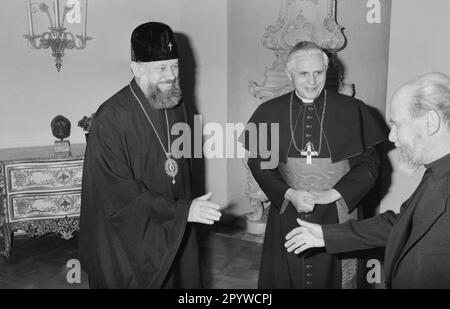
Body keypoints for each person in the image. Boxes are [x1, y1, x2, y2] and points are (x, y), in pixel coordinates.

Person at [78, 22, 223, 289]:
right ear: (136, 68)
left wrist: (182, 213)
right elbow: (118, 195)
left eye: (175, 66)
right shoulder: (111, 118)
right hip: (127, 240)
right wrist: (182, 211)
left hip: (174, 227)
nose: (171, 75)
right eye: (161, 68)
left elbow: (183, 169)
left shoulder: (175, 103)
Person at [285, 72, 450, 289]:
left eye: (397, 125)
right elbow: (402, 225)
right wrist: (327, 235)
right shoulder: (436, 171)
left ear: (430, 122)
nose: (391, 137)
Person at [241, 41, 385, 289]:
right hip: (288, 205)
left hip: (338, 209)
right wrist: (290, 194)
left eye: (318, 73)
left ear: (326, 71)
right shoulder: (269, 111)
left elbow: (369, 164)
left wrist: (334, 194)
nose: (312, 81)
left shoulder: (353, 110)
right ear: (289, 74)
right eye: (303, 74)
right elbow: (260, 163)